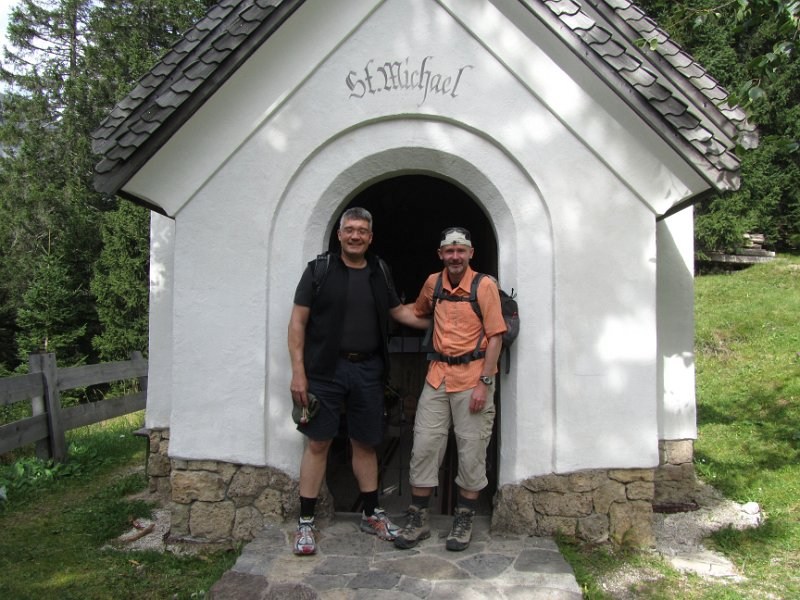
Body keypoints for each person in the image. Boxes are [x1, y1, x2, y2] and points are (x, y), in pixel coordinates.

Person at [288, 206, 429, 555]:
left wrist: (452, 318)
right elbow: (297, 322)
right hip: (324, 371)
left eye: (362, 231)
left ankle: (371, 514)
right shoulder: (319, 270)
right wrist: (298, 372)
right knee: (318, 443)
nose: (355, 236)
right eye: (349, 230)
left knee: (365, 442)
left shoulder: (379, 271)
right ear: (339, 235)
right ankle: (305, 523)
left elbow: (400, 311)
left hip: (368, 370)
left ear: (370, 237)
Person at [394, 226, 506, 552]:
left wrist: (485, 383)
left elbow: (496, 336)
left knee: (472, 448)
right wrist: (384, 305)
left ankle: (464, 517)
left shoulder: (484, 285)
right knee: (424, 445)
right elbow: (419, 313)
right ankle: (418, 518)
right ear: (441, 254)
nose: (455, 256)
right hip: (437, 376)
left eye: (461, 250)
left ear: (470, 253)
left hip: (473, 377)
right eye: (449, 251)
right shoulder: (433, 283)